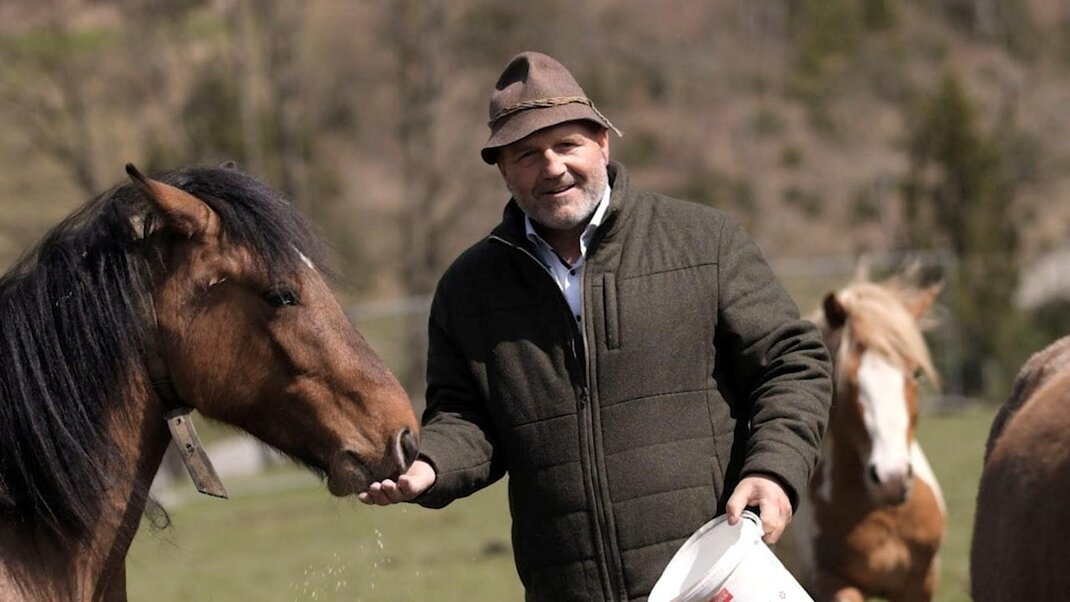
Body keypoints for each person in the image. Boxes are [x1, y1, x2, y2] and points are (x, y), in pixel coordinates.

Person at [359, 51, 833, 601]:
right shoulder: (468, 289)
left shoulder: (706, 243)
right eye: (527, 154)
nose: (552, 167)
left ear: (603, 143)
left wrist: (773, 470)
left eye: (567, 144)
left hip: (717, 578)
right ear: (503, 170)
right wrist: (430, 465)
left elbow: (792, 364)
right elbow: (467, 417)